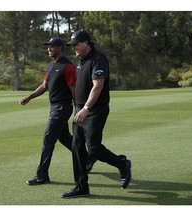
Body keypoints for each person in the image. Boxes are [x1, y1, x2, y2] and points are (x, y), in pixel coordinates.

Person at [61, 31, 132, 198]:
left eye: (76, 44)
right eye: (72, 45)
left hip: (94, 110)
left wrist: (86, 108)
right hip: (80, 109)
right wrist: (78, 107)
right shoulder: (81, 61)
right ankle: (81, 187)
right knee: (77, 147)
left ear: (86, 42)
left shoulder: (98, 59)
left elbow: (97, 87)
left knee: (93, 149)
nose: (73, 48)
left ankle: (122, 163)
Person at [19, 37, 96, 186]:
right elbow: (44, 85)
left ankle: (42, 176)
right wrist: (29, 97)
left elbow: (74, 89)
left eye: (52, 47)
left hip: (62, 108)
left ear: (60, 48)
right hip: (54, 107)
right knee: (65, 138)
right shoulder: (50, 65)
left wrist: (78, 108)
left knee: (48, 140)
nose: (49, 49)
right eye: (48, 46)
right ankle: (87, 158)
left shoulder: (67, 66)